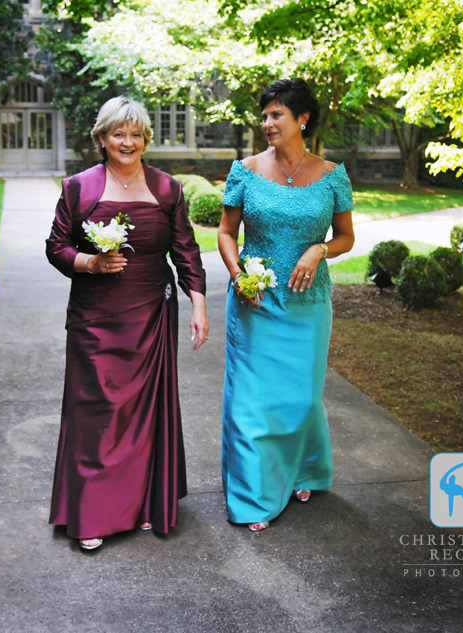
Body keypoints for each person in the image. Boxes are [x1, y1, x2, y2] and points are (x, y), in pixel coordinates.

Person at [46, 96, 209, 550]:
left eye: (136, 134)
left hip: (151, 314)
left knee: (143, 413)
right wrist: (88, 263)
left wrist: (198, 303)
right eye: (119, 133)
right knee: (98, 411)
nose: (128, 142)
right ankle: (94, 511)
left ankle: (138, 503)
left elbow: (186, 251)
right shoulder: (78, 188)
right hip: (95, 317)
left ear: (146, 140)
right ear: (102, 138)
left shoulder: (166, 189)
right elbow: (56, 246)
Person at [217, 78, 355, 532]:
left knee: (300, 399)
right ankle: (254, 496)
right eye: (264, 116)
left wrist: (320, 250)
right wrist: (239, 277)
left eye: (276, 115)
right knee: (251, 405)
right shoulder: (245, 170)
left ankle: (303, 470)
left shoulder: (333, 174)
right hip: (255, 303)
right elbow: (225, 234)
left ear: (302, 119)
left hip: (307, 306)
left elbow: (346, 237)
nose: (267, 123)